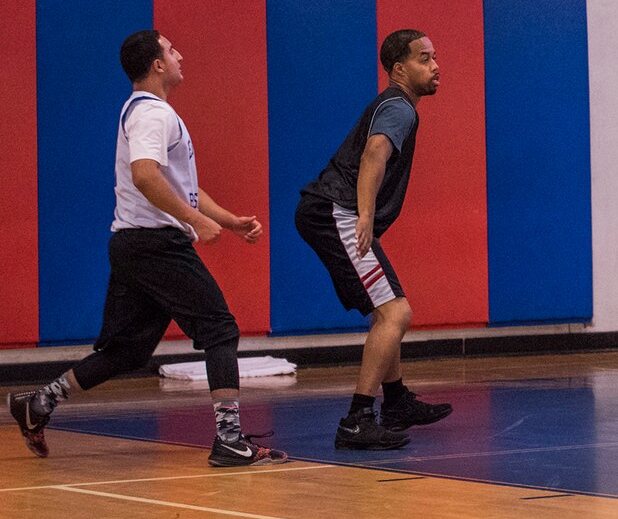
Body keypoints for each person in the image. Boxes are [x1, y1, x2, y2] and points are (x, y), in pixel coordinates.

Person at [7, 31, 285, 467]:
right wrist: (194, 222)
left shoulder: (149, 113)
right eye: (172, 50)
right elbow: (145, 176)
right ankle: (230, 439)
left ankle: (39, 402)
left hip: (133, 244)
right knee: (220, 329)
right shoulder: (153, 115)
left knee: (126, 352)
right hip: (156, 245)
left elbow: (181, 186)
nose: (179, 55)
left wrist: (227, 221)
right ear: (157, 64)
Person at [294, 30, 454, 451]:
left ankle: (397, 401)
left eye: (435, 57)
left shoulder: (398, 106)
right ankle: (357, 419)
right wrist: (364, 214)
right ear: (399, 69)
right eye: (424, 58)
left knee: (386, 311)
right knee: (396, 313)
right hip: (337, 210)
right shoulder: (399, 107)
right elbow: (374, 154)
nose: (435, 65)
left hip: (329, 210)